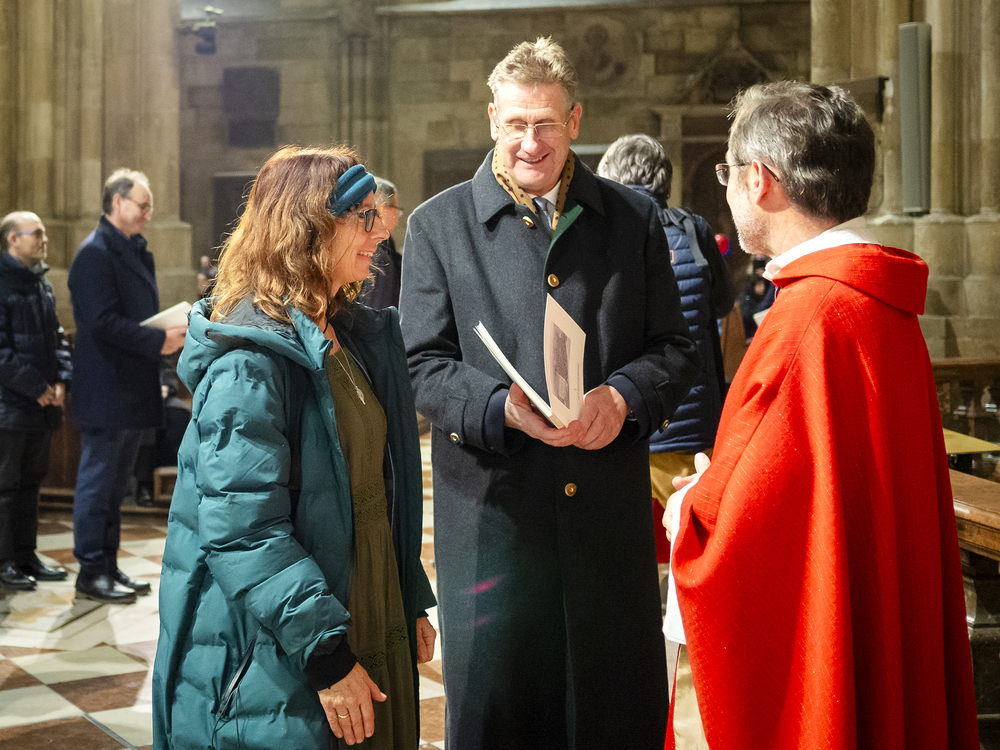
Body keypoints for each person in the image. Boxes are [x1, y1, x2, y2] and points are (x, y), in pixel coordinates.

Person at [399, 38, 699, 750]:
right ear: (492, 121)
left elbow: (675, 349)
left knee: (609, 718)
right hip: (497, 524)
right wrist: (497, 406)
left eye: (546, 124)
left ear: (575, 120)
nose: (530, 142)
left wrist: (622, 398)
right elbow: (421, 364)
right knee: (505, 717)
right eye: (515, 124)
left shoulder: (632, 219)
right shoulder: (437, 227)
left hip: (605, 525)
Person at [665, 81, 979, 749]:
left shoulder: (806, 319)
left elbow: (738, 531)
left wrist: (689, 506)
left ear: (759, 180)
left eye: (727, 172)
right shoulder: (878, 300)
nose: (727, 189)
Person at [152, 146, 437, 749]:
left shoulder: (347, 334)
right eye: (363, 217)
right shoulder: (250, 363)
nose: (380, 232)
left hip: (367, 600)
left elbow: (379, 483)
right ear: (308, 229)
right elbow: (244, 530)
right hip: (286, 646)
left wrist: (408, 594)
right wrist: (326, 655)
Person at [597, 134, 735, 544]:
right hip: (694, 424)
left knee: (622, 542)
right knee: (697, 539)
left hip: (629, 418)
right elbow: (723, 303)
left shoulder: (604, 235)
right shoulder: (692, 230)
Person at [68, 169, 187, 604]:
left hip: (132, 385)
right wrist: (159, 341)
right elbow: (101, 322)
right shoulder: (94, 253)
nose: (148, 214)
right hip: (106, 387)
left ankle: (108, 564)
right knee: (98, 484)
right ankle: (90, 570)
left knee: (117, 485)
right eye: (143, 205)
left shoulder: (133, 251)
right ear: (117, 202)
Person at [0, 212, 72, 591]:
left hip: (40, 405)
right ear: (13, 239)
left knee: (31, 485)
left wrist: (61, 379)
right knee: (5, 489)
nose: (44, 239)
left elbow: (57, 336)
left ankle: (26, 555)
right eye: (37, 233)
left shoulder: (40, 280)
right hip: (9, 406)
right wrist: (36, 386)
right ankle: (4, 562)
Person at [357, 177, 402, 310]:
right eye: (396, 211)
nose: (396, 220)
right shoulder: (376, 257)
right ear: (383, 209)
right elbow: (376, 314)